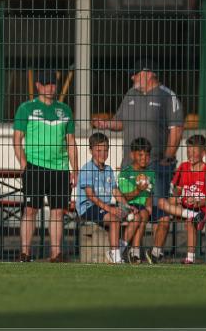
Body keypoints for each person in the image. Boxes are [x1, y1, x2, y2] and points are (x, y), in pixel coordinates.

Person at [91, 59, 184, 264]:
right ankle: (129, 252)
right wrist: (105, 124)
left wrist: (167, 157)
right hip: (129, 167)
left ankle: (156, 252)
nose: (132, 77)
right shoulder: (130, 95)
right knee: (132, 210)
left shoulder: (167, 96)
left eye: (135, 73)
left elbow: (176, 130)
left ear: (148, 73)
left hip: (157, 166)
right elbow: (120, 122)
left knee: (160, 209)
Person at [12, 69, 78, 263]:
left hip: (60, 169)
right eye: (46, 83)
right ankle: (25, 253)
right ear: (38, 85)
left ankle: (56, 254)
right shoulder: (26, 108)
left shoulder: (64, 110)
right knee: (31, 209)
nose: (50, 87)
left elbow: (71, 142)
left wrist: (75, 170)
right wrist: (25, 165)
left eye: (52, 84)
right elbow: (17, 139)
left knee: (58, 211)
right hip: (35, 166)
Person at [155, 134, 206, 264]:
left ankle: (189, 258)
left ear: (203, 153)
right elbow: (178, 189)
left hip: (204, 208)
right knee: (162, 203)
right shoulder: (183, 167)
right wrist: (176, 194)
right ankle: (156, 252)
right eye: (188, 151)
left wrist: (198, 202)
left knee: (189, 222)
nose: (191, 154)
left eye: (194, 151)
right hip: (186, 206)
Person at [76, 133, 127, 264]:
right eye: (98, 150)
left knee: (135, 217)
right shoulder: (87, 169)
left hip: (103, 207)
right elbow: (90, 195)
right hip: (88, 207)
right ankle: (116, 257)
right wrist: (110, 209)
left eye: (105, 150)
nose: (102, 153)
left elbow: (115, 191)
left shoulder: (109, 170)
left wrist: (128, 206)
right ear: (91, 150)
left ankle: (122, 250)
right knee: (114, 218)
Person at [117, 137, 155, 265]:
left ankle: (134, 252)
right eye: (140, 154)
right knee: (140, 215)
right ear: (132, 155)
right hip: (127, 206)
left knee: (144, 213)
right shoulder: (126, 173)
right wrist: (138, 190)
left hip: (142, 208)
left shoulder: (150, 173)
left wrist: (149, 205)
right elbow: (124, 197)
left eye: (147, 155)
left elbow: (149, 194)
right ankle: (129, 250)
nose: (144, 158)